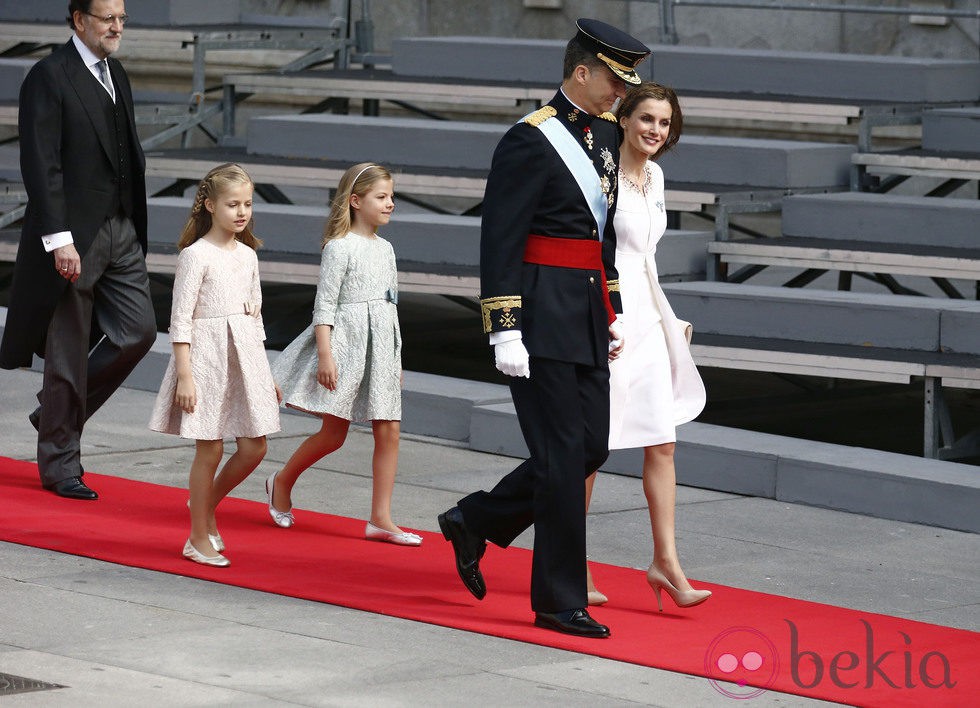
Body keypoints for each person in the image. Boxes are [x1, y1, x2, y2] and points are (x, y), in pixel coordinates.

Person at [436, 19, 649, 639]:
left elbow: (600, 237)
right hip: (536, 312)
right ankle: (558, 598)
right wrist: (506, 328)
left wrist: (608, 309)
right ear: (582, 72)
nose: (620, 94)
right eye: (614, 80)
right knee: (561, 459)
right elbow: (499, 237)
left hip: (581, 311)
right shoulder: (530, 139)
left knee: (590, 448)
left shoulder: (606, 135)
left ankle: (474, 520)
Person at [0, 0, 156, 500]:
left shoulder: (118, 74)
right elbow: (40, 164)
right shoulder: (49, 75)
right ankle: (60, 464)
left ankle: (54, 414)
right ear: (77, 19)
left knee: (138, 331)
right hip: (74, 237)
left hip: (121, 229)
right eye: (108, 17)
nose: (117, 27)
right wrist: (59, 238)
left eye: (122, 19)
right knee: (66, 351)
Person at [584, 82, 710, 611]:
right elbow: (588, 250)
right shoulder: (599, 173)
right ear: (624, 118)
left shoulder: (656, 175)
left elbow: (647, 258)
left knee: (663, 442)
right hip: (605, 317)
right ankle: (571, 562)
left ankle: (667, 562)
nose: (656, 130)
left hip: (648, 319)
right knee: (589, 450)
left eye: (664, 122)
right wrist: (601, 318)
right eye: (647, 119)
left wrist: (667, 316)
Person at [268, 163, 420, 547]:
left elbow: (391, 305)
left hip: (382, 344)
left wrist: (395, 358)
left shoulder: (386, 248)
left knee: (389, 429)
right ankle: (281, 481)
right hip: (346, 344)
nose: (390, 204)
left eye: (391, 197)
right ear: (355, 201)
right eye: (381, 197)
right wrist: (325, 355)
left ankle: (380, 519)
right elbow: (325, 306)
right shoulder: (339, 248)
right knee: (334, 433)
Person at [148, 163, 282, 567]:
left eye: (247, 204)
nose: (241, 212)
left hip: (245, 356)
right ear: (209, 205)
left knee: (254, 446)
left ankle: (203, 507)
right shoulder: (195, 255)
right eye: (232, 204)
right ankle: (196, 538)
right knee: (210, 448)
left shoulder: (247, 255)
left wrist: (265, 375)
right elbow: (180, 319)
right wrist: (185, 376)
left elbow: (254, 317)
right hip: (205, 359)